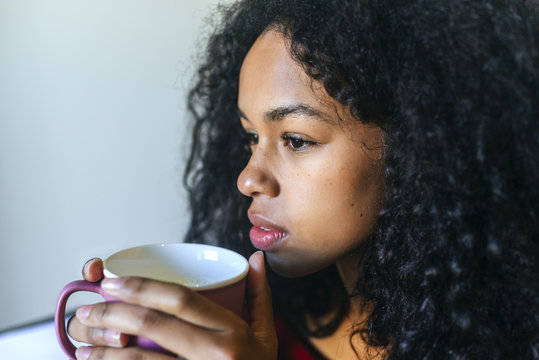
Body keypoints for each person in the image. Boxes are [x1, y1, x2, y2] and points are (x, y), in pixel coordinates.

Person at [66, 0, 539, 359]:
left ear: (423, 145)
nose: (248, 179)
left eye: (295, 139)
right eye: (251, 136)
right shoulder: (249, 327)